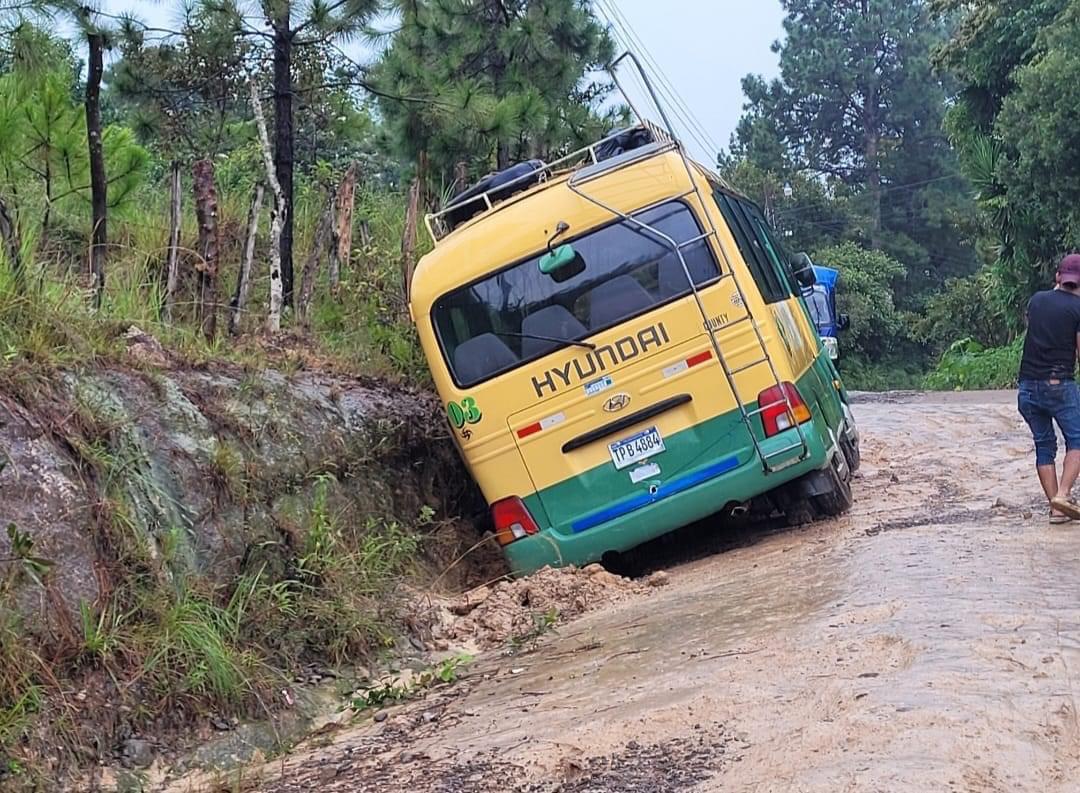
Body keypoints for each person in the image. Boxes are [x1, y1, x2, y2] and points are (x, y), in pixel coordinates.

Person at [1018, 253, 1080, 524]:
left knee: (1044, 445)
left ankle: (1056, 509)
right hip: (1058, 384)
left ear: (1058, 276)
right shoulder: (1078, 308)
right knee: (1077, 440)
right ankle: (1063, 495)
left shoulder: (1036, 300)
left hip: (1027, 387)